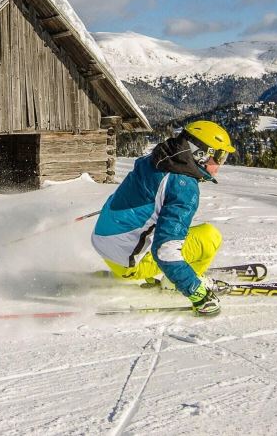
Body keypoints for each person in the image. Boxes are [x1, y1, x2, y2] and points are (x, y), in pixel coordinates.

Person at [91, 120, 235, 316]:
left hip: (107, 244)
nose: (220, 164)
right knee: (209, 237)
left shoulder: (155, 160)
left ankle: (161, 272)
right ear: (201, 154)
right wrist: (198, 294)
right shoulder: (183, 187)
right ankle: (175, 283)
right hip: (129, 262)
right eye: (219, 156)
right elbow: (165, 251)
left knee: (176, 230)